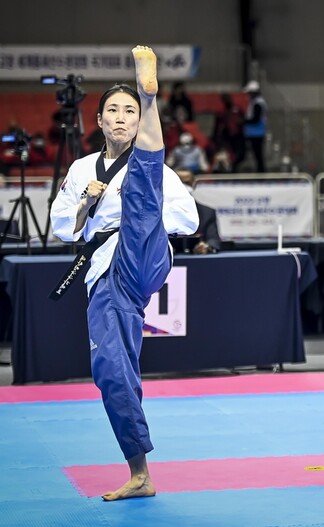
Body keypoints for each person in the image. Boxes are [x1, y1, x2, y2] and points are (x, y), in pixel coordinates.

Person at [50, 46, 199, 500]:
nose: (119, 117)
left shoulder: (161, 171)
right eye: (112, 110)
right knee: (113, 370)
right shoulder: (79, 170)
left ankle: (150, 90)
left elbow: (189, 220)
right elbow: (60, 227)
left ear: (138, 120)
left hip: (145, 249)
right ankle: (140, 472)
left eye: (130, 110)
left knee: (143, 184)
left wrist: (147, 216)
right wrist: (85, 205)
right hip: (106, 273)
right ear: (98, 121)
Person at [172, 169, 222, 254]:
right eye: (179, 183)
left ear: (194, 184)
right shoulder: (160, 212)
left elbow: (213, 239)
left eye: (187, 183)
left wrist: (206, 246)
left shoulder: (207, 212)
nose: (183, 186)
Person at [242, 80, 267, 173]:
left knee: (258, 155)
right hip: (254, 133)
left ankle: (261, 173)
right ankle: (260, 172)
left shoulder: (258, 103)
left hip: (256, 133)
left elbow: (255, 119)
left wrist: (244, 121)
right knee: (257, 155)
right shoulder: (254, 102)